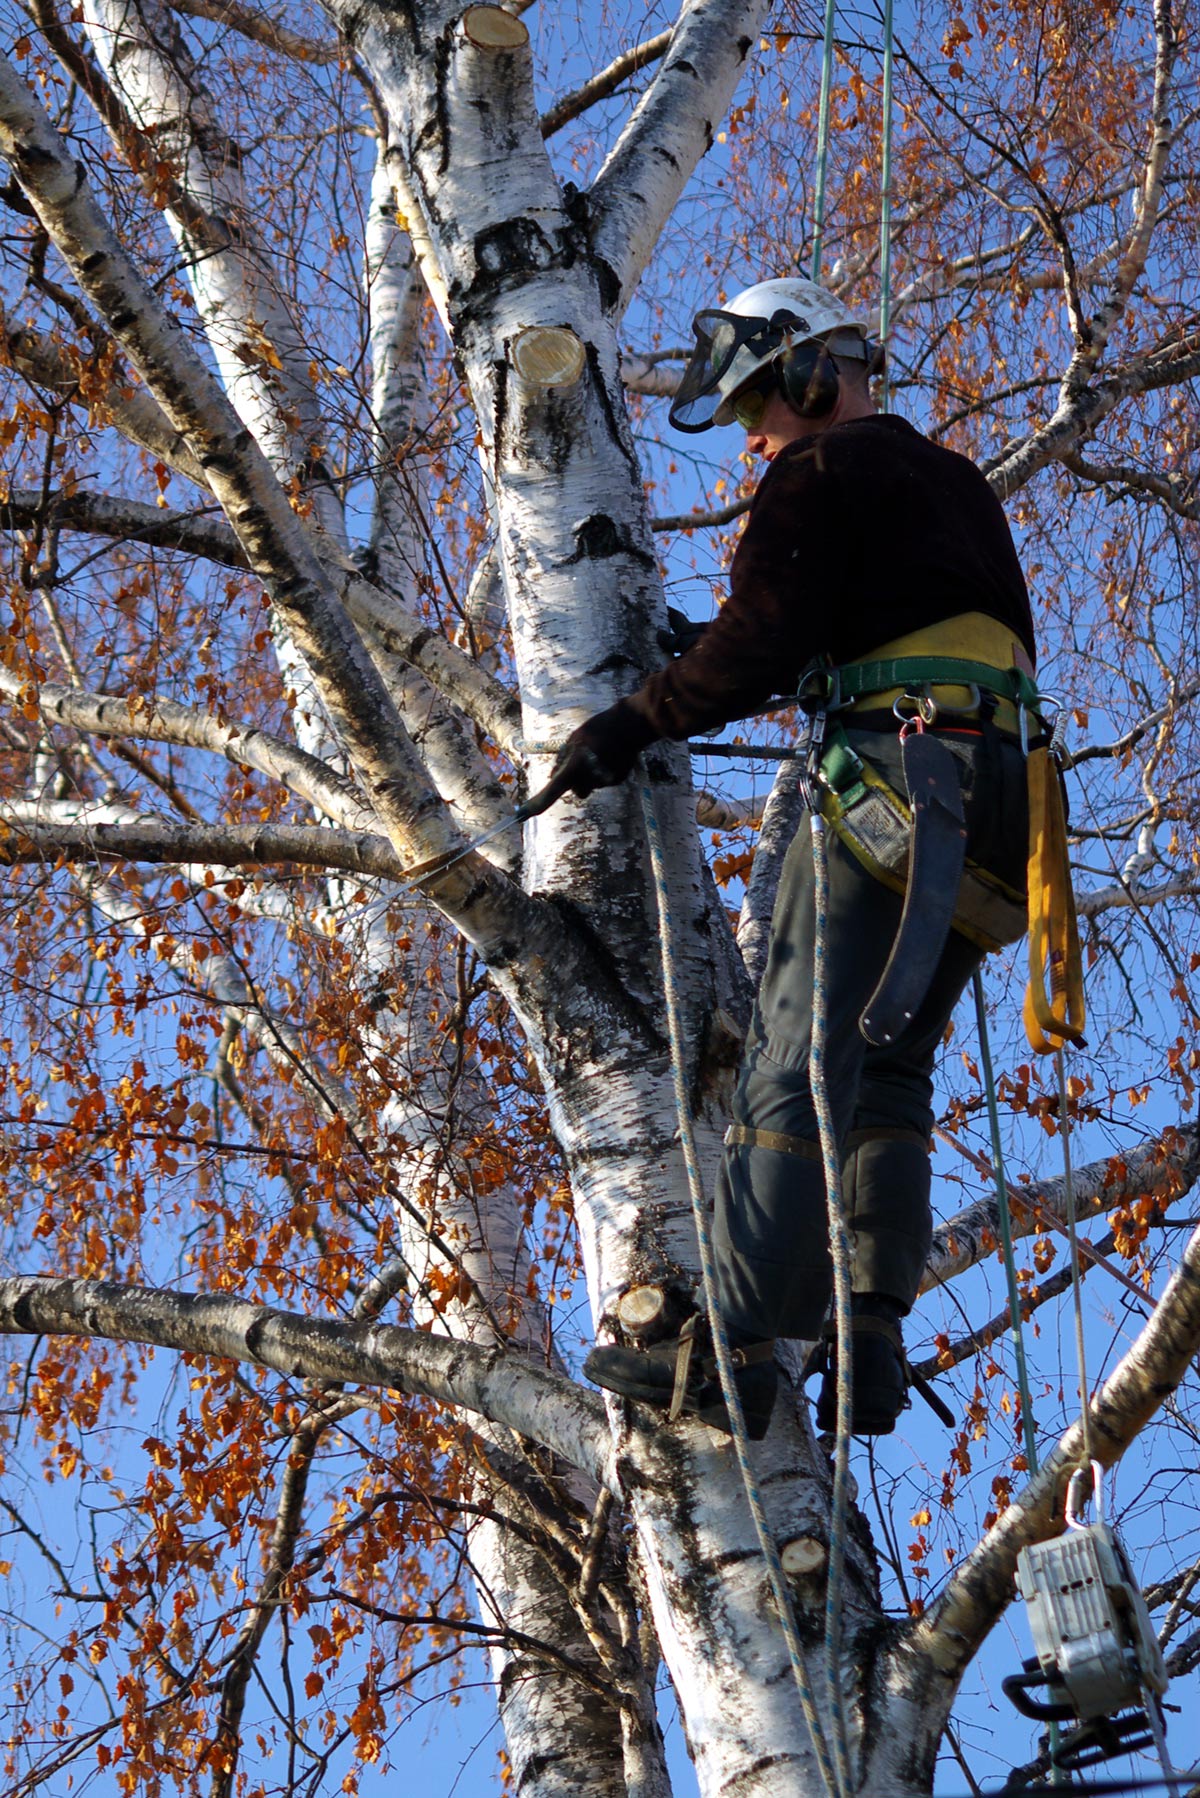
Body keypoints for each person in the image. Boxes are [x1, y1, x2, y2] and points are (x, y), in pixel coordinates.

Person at [555, 276, 1035, 1439]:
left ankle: (720, 1342)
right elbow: (848, 623)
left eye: (761, 406)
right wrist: (721, 651)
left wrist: (632, 719)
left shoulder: (819, 474)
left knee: (796, 1057)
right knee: (889, 1070)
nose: (754, 435)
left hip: (901, 781)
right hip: (1004, 809)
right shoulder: (955, 483)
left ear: (813, 375)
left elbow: (765, 641)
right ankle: (870, 1323)